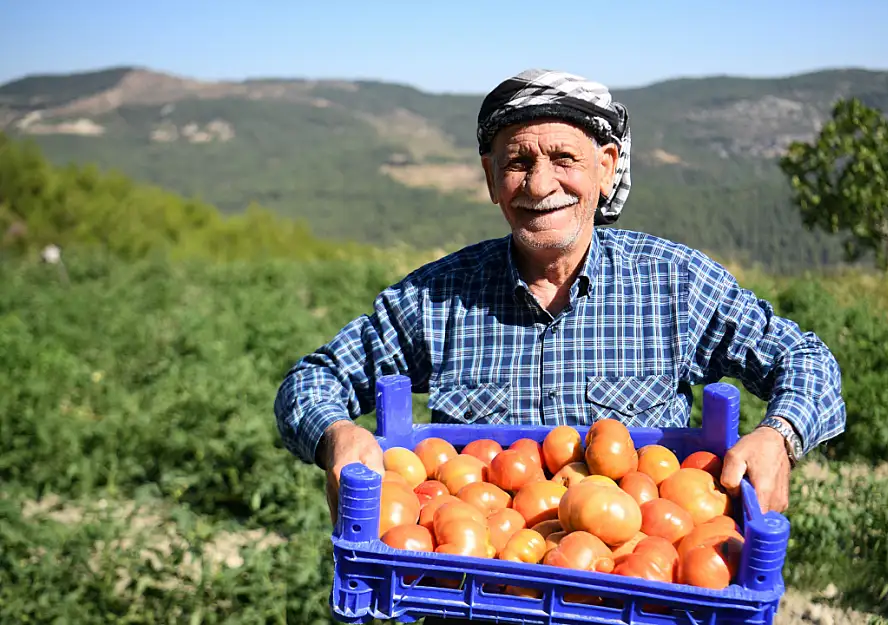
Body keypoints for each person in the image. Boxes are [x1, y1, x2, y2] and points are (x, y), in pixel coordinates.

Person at [274, 69, 847, 532]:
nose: (540, 184)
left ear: (607, 166)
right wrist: (336, 434)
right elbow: (311, 380)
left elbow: (806, 360)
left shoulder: (675, 285)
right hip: (482, 589)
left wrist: (780, 435)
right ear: (491, 178)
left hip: (641, 596)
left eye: (565, 160)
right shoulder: (437, 299)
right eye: (518, 162)